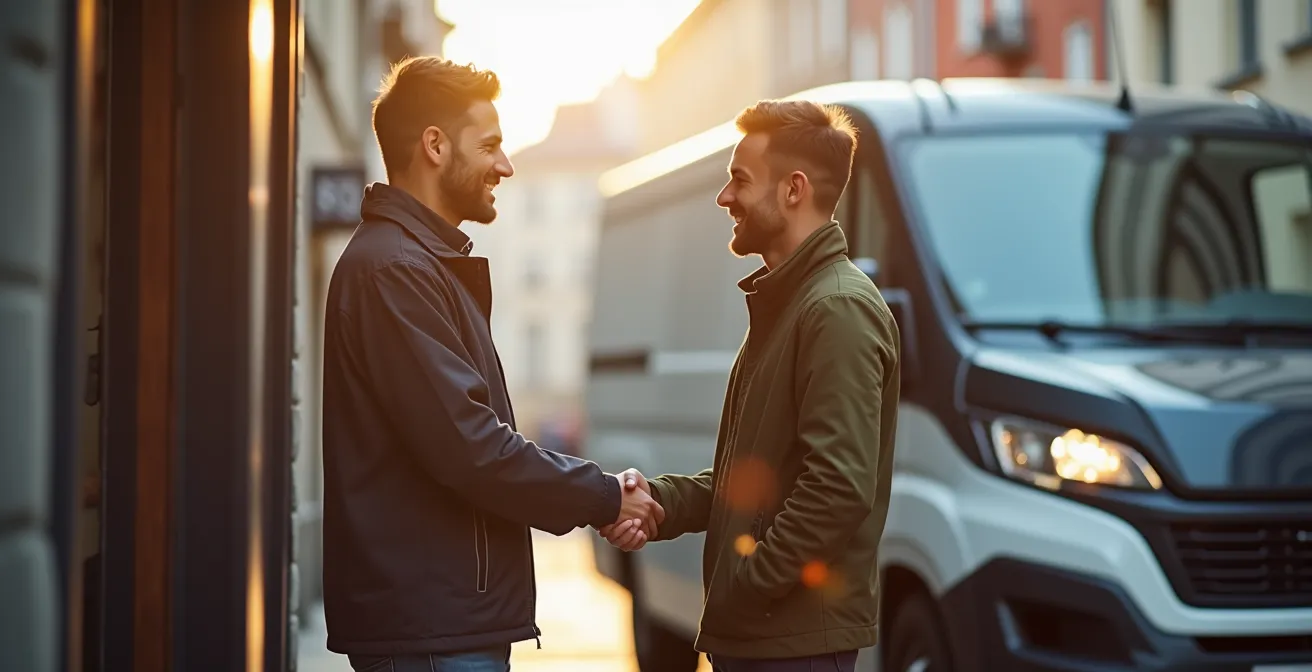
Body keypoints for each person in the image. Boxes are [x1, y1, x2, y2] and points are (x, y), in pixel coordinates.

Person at [319, 57, 663, 672]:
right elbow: (471, 446)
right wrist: (605, 496)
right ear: (434, 146)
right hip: (430, 631)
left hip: (441, 622)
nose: (505, 165)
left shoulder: (417, 264)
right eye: (491, 145)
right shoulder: (396, 271)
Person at [601, 100, 901, 672]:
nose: (725, 198)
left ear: (793, 189)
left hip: (794, 644)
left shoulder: (836, 308)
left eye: (739, 180)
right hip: (769, 639)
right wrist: (663, 502)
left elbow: (838, 489)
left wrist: (748, 583)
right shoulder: (792, 302)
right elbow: (757, 480)